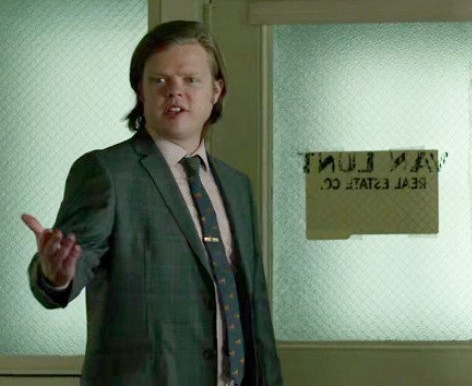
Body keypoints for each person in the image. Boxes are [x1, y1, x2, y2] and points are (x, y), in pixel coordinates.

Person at [22, 20, 283, 386]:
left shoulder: (237, 186)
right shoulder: (107, 172)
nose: (175, 92)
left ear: (216, 91)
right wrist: (55, 276)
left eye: (191, 80)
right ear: (141, 92)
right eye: (159, 81)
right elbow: (71, 267)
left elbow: (255, 313)